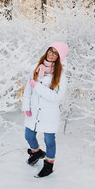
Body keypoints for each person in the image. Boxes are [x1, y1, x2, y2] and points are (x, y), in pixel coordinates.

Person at [22, 42, 69, 178]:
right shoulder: (37, 68)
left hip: (49, 113)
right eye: (51, 50)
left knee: (49, 140)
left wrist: (37, 86)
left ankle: (48, 166)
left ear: (59, 57)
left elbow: (57, 97)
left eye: (56, 53)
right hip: (34, 110)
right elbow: (27, 90)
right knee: (28, 135)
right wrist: (26, 106)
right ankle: (36, 152)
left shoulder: (60, 76)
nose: (51, 54)